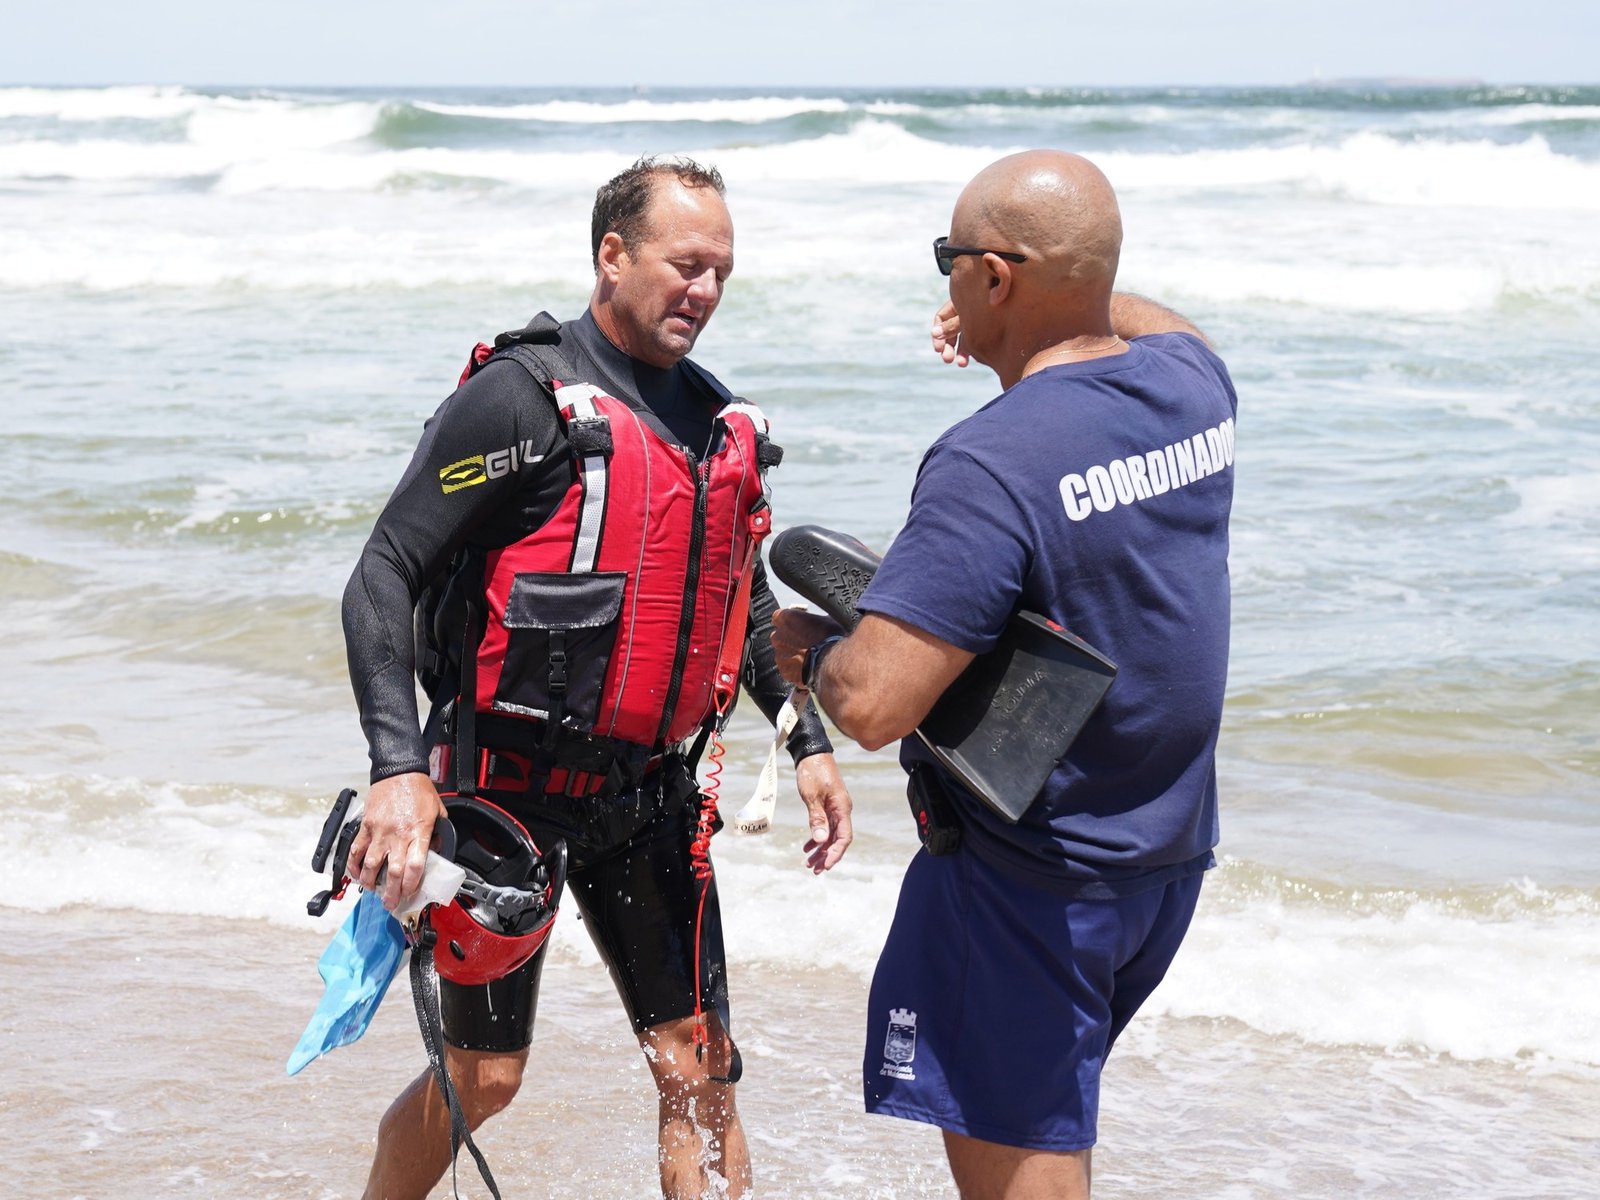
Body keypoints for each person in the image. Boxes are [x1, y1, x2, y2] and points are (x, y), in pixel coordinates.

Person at [340, 156, 853, 1200]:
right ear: (611, 255)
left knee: (699, 1075)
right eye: (684, 263)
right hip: (502, 794)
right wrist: (398, 768)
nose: (703, 290)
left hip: (651, 799)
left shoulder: (718, 425)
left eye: (722, 270)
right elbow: (382, 574)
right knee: (483, 1078)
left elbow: (740, 604)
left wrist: (805, 740)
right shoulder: (518, 404)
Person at [772, 150, 1237, 1200]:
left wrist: (808, 655)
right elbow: (1163, 321)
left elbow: (876, 707)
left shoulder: (990, 462)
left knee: (1028, 1162)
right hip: (1158, 863)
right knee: (1054, 1124)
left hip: (1033, 882)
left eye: (950, 263)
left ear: (993, 274)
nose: (944, 284)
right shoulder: (1190, 387)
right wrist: (1047, 299)